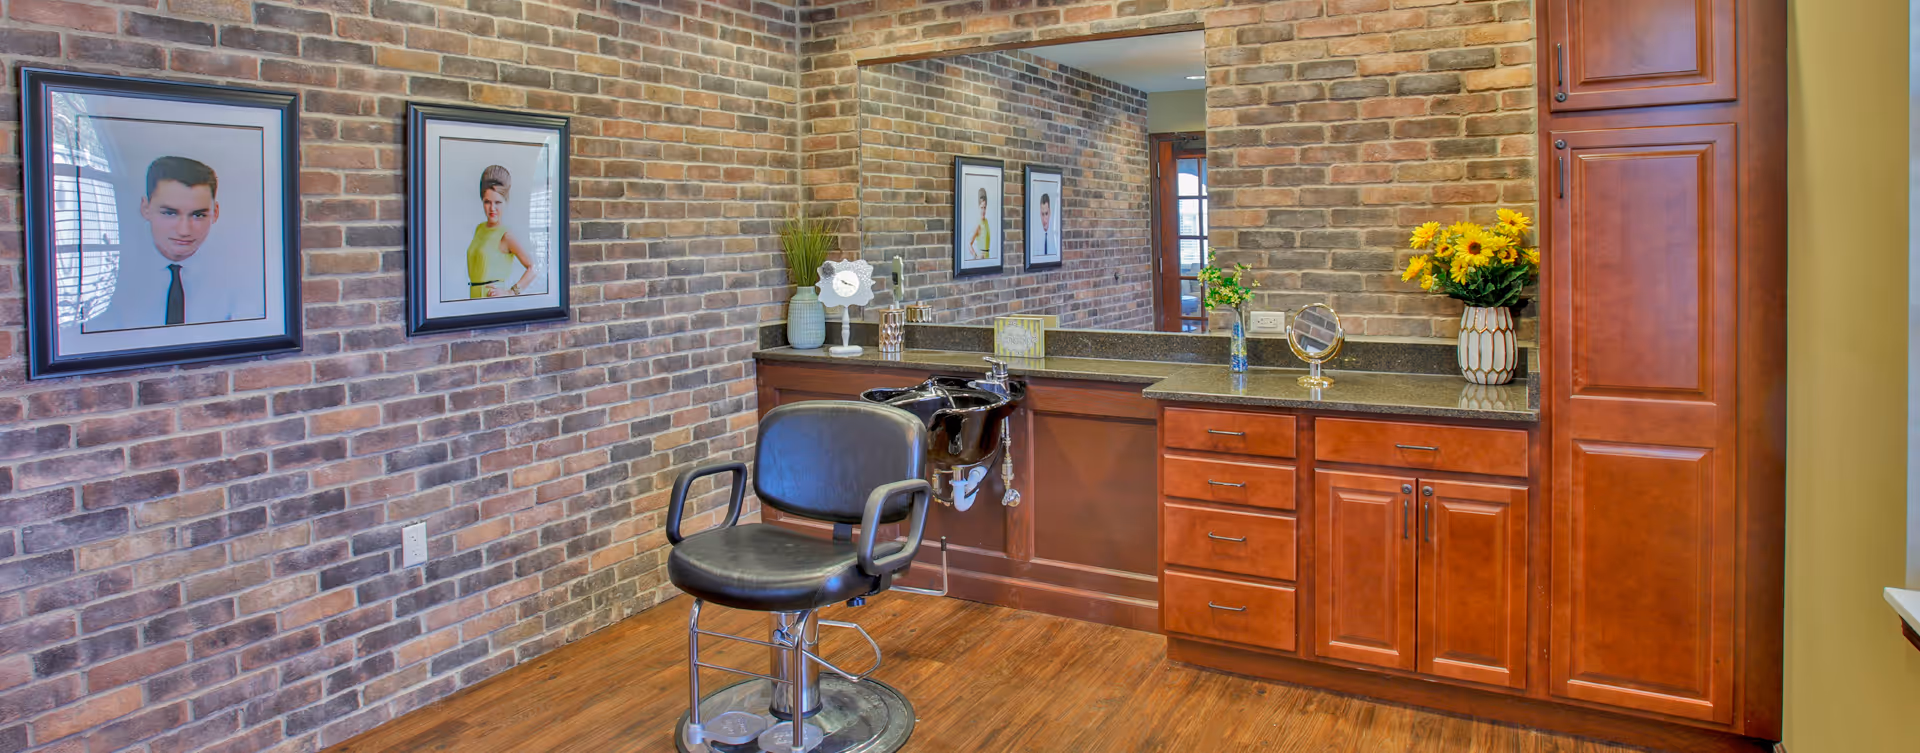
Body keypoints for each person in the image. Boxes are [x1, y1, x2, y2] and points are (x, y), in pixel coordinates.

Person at [87, 156, 264, 331]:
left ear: (215, 213)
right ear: (145, 208)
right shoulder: (102, 278)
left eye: (198, 215)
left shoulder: (244, 280)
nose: (184, 230)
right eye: (169, 213)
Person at [464, 164, 539, 299]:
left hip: (493, 300)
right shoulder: (479, 229)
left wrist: (510, 292)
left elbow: (533, 268)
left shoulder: (506, 235)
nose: (492, 208)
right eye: (487, 202)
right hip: (473, 299)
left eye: (497, 202)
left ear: (505, 202)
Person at [966, 187, 992, 261]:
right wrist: (976, 256)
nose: (983, 210)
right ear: (978, 207)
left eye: (984, 208)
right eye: (981, 208)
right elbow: (969, 244)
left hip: (988, 258)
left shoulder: (986, 222)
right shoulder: (978, 224)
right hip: (981, 260)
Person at [1036, 192, 1054, 260]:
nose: (1044, 219)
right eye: (1042, 214)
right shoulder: (1036, 238)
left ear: (1050, 212)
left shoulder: (1055, 236)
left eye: (1046, 213)